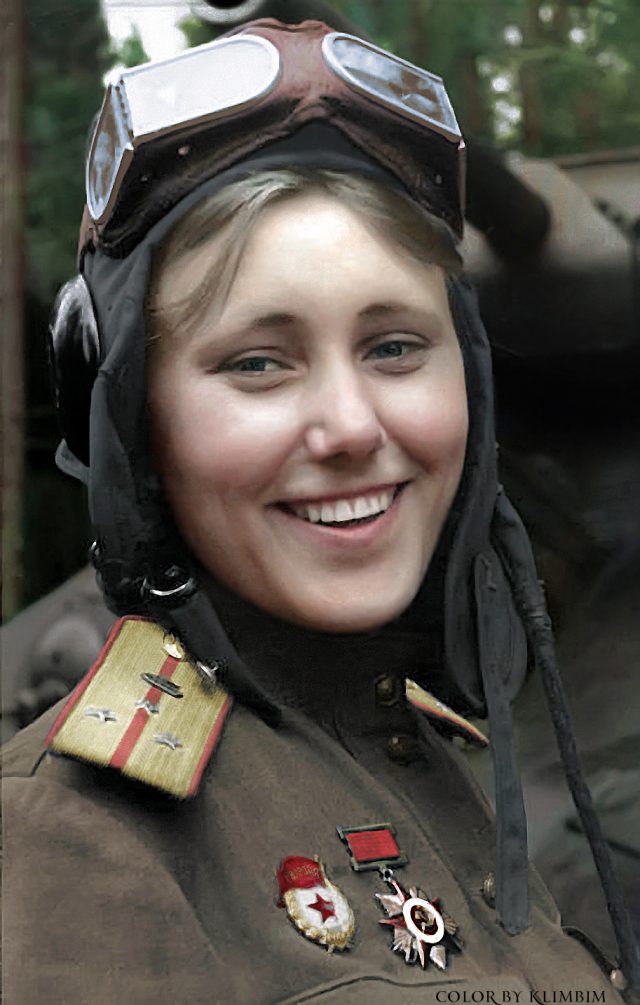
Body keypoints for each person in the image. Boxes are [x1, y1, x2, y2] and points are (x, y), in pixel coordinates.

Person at [2, 17, 638, 1004]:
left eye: (394, 347)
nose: (349, 426)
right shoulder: (85, 841)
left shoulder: (436, 750)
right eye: (258, 362)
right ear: (131, 416)